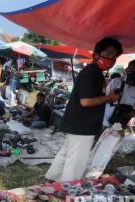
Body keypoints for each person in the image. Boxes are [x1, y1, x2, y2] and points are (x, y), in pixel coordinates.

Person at [45, 37, 123, 182]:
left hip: (78, 122)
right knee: (76, 162)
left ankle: (51, 179)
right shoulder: (91, 72)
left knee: (67, 153)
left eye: (114, 57)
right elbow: (86, 101)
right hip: (83, 124)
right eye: (108, 53)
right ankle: (67, 189)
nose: (110, 59)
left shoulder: (95, 73)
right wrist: (110, 98)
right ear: (96, 54)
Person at [104, 59, 135, 128]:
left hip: (121, 121)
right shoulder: (116, 81)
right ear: (127, 69)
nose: (134, 71)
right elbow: (104, 97)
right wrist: (110, 98)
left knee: (115, 137)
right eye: (132, 68)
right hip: (105, 119)